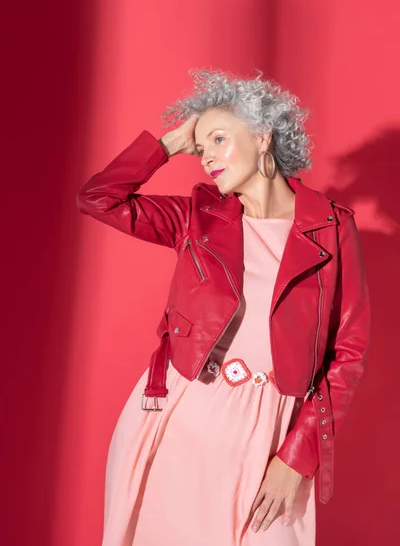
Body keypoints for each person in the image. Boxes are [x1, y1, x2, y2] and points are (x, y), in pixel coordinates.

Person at [76, 69, 370, 546]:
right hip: (182, 414)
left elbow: (349, 352)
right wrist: (169, 144)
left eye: (218, 139)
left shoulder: (333, 228)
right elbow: (97, 199)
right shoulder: (196, 217)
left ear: (261, 137)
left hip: (275, 427)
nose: (207, 156)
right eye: (202, 145)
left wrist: (298, 456)